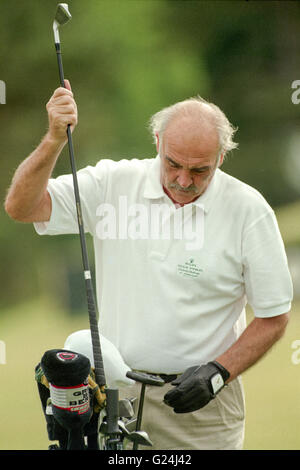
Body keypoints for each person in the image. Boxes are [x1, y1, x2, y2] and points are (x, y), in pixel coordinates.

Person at [5, 80, 293, 450]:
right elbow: (22, 207)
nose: (183, 180)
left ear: (221, 157)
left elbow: (274, 315)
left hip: (203, 409)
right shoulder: (112, 183)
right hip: (115, 398)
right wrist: (54, 141)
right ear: (157, 141)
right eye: (173, 164)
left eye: (200, 170)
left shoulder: (249, 211)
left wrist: (218, 374)